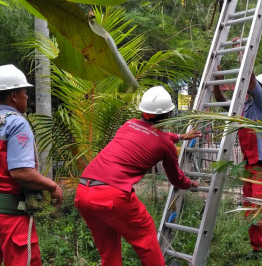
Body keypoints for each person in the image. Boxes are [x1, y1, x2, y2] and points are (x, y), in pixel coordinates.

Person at [74, 86, 202, 266]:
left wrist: (180, 136)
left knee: (109, 249)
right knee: (145, 237)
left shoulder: (129, 124)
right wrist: (191, 184)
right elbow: (176, 179)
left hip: (84, 192)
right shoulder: (165, 145)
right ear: (167, 115)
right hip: (112, 195)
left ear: (143, 111)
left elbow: (150, 134)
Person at [0, 64, 64, 266]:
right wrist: (52, 186)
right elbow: (21, 172)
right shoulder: (16, 123)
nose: (27, 97)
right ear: (13, 96)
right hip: (8, 214)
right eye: (24, 92)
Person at [213, 69, 262, 259]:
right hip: (249, 164)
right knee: (249, 210)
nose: (248, 87)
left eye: (256, 86)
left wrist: (241, 51)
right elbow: (223, 102)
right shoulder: (244, 106)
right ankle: (258, 248)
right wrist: (217, 82)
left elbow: (250, 77)